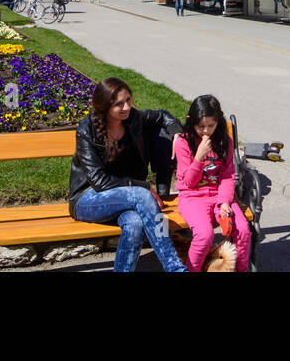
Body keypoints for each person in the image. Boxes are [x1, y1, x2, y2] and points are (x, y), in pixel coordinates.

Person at [68, 78, 186, 272]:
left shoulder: (133, 118)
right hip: (87, 198)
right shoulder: (86, 130)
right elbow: (99, 181)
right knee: (142, 195)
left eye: (128, 100)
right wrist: (142, 186)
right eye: (118, 104)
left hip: (126, 198)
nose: (127, 107)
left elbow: (163, 116)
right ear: (105, 107)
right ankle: (175, 267)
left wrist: (176, 133)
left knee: (135, 223)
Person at [172, 94, 252, 272]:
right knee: (204, 235)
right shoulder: (184, 143)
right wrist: (199, 157)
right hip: (192, 197)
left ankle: (241, 269)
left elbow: (227, 174)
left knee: (243, 230)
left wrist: (224, 201)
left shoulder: (224, 141)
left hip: (219, 195)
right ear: (192, 122)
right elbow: (189, 183)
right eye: (201, 126)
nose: (206, 131)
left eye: (211, 126)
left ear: (218, 122)